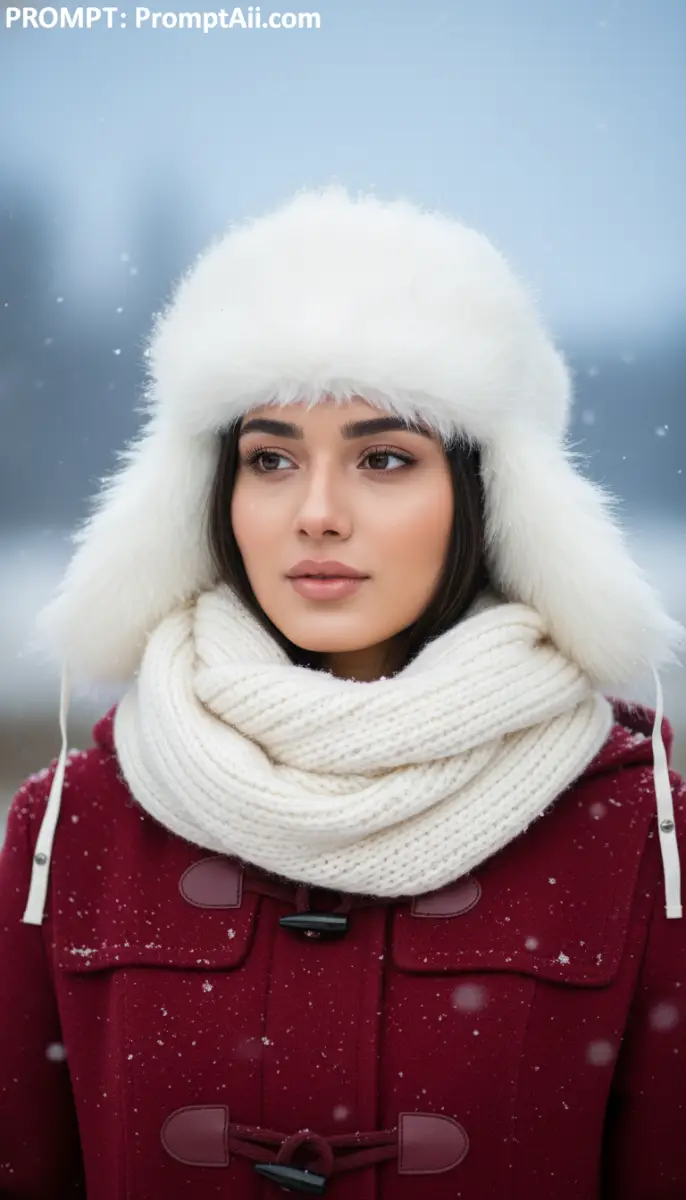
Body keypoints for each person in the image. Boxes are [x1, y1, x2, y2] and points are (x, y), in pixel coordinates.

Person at [1, 184, 685, 1200]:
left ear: (486, 499)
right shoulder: (73, 825)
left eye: (383, 458)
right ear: (208, 497)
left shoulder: (639, 835)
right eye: (269, 458)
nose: (315, 514)